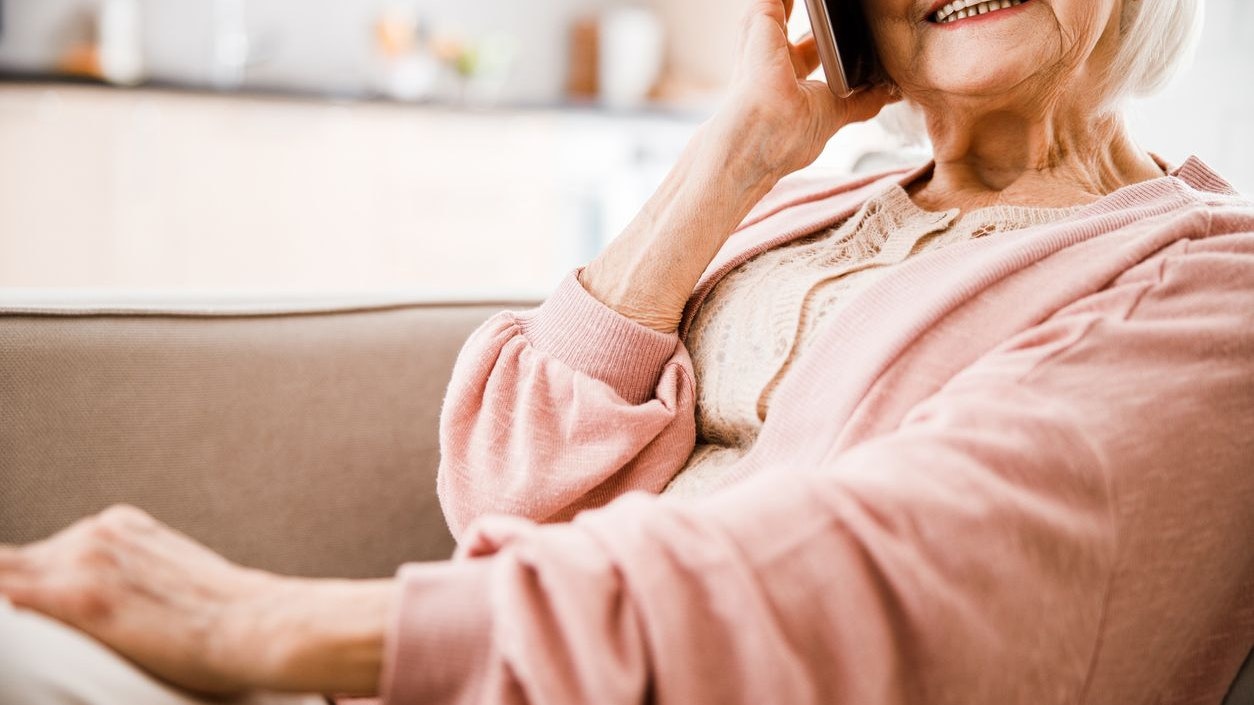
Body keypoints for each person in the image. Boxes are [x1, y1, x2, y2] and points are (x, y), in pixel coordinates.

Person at [2, 0, 1252, 703]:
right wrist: (749, 144)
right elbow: (500, 489)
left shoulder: (1209, 286)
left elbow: (908, 574)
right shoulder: (815, 204)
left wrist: (285, 620)